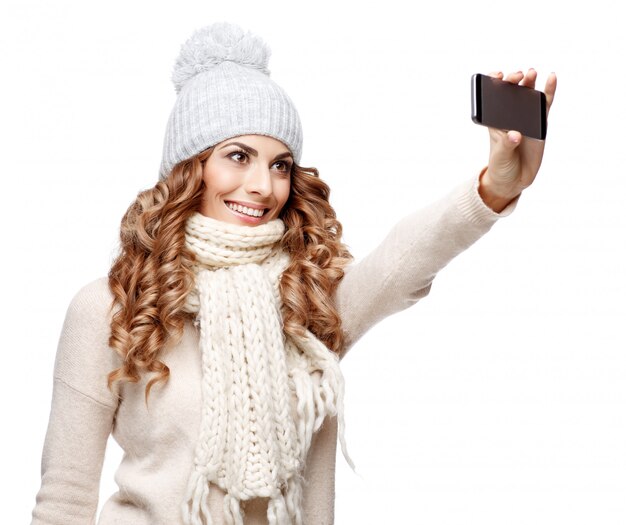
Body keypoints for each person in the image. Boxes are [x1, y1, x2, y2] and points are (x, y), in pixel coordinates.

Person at [30, 22, 557, 525]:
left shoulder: (305, 300)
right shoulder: (112, 306)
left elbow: (404, 261)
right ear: (189, 167)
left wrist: (497, 186)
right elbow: (65, 502)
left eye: (280, 164)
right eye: (238, 156)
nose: (263, 185)